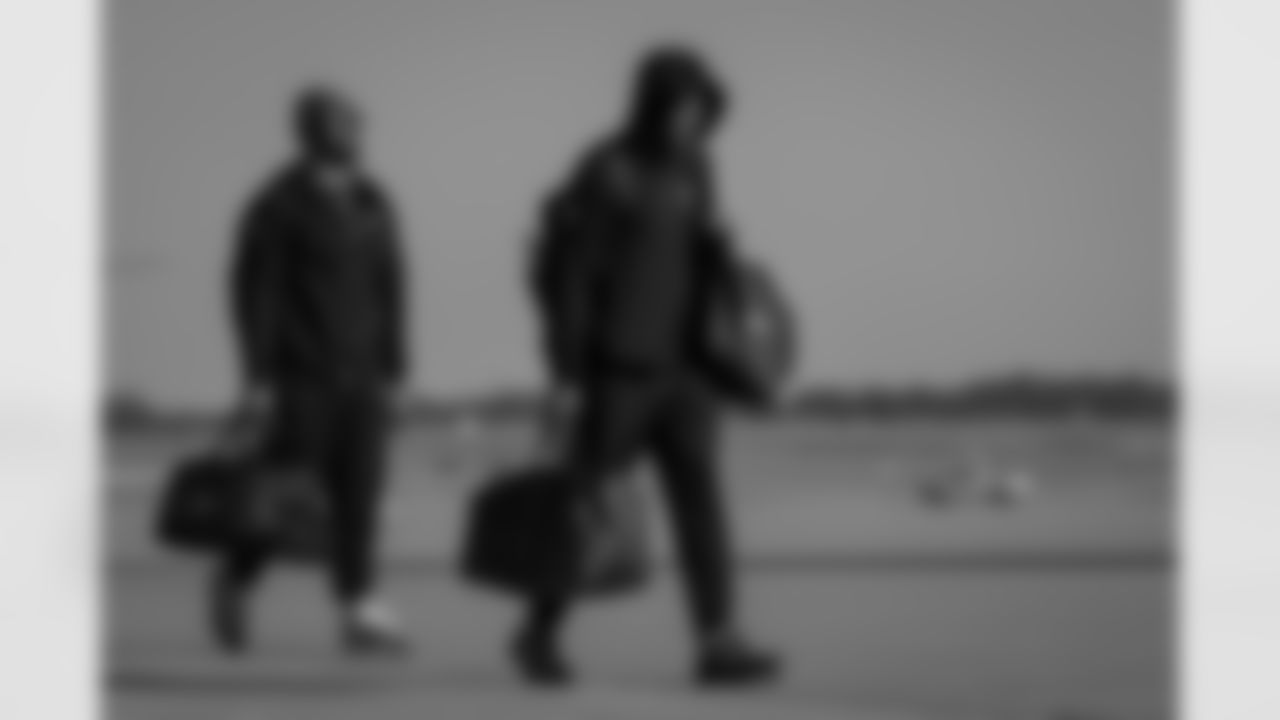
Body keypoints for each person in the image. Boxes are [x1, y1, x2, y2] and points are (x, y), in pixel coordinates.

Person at [521, 44, 781, 687]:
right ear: (651, 105)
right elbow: (569, 281)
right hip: (614, 371)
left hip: (688, 370)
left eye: (700, 110)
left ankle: (719, 641)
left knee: (702, 505)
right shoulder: (605, 170)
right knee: (591, 511)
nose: (689, 121)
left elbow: (703, 252)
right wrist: (566, 375)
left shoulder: (696, 166)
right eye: (681, 108)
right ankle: (540, 631)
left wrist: (726, 269)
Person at [217, 85, 411, 657]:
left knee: (360, 495)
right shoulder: (277, 206)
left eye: (357, 123)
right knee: (285, 501)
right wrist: (256, 378)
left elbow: (393, 288)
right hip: (300, 377)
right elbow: (255, 295)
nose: (356, 133)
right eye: (343, 125)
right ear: (312, 133)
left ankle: (359, 606)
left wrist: (396, 368)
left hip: (365, 378)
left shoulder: (374, 201)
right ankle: (235, 578)